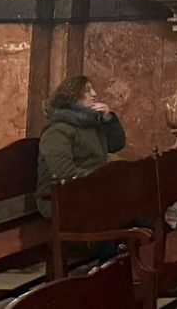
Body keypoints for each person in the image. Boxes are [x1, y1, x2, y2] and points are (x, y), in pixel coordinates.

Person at [35, 75, 127, 217]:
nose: (94, 94)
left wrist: (108, 119)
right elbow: (63, 172)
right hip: (60, 197)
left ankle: (149, 233)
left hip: (90, 189)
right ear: (73, 96)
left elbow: (116, 144)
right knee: (126, 204)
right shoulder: (58, 130)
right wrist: (102, 180)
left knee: (135, 197)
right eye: (87, 90)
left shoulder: (91, 123)